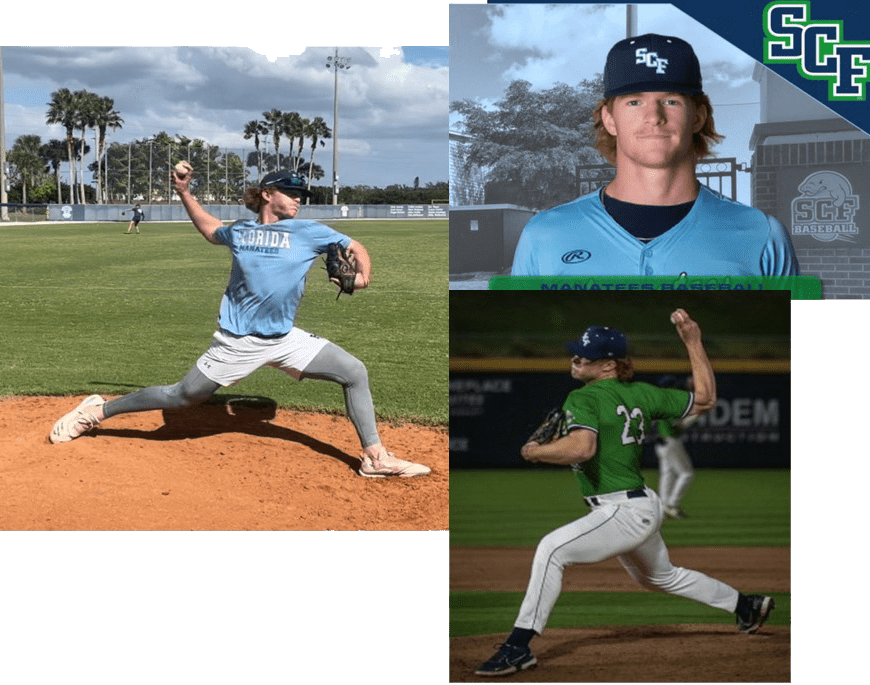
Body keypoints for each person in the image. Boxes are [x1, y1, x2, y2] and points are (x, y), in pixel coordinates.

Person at [49, 169, 430, 479]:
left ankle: (374, 457)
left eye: (301, 194)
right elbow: (209, 228)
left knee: (354, 372)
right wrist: (184, 191)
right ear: (268, 194)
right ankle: (96, 411)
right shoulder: (242, 232)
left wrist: (362, 278)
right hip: (238, 342)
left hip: (285, 338)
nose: (299, 198)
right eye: (291, 191)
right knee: (181, 397)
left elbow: (356, 247)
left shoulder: (310, 231)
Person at [474, 311, 774, 677]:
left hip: (623, 511)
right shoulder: (642, 393)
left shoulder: (582, 398)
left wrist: (533, 451)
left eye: (584, 356)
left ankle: (518, 647)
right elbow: (706, 400)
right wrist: (692, 341)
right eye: (576, 354)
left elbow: (582, 448)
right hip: (641, 504)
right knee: (661, 577)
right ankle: (746, 606)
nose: (575, 360)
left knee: (551, 549)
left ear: (608, 365)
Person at [510, 33, 798, 277]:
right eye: (634, 102)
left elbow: (809, 344)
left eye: (670, 100)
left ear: (698, 116)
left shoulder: (762, 235)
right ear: (609, 119)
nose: (653, 116)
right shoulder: (543, 234)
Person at [653, 375, 698, 519]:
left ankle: (663, 506)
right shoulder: (669, 402)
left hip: (660, 442)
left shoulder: (659, 400)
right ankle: (672, 504)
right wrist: (694, 416)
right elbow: (677, 425)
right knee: (686, 473)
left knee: (667, 474)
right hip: (670, 440)